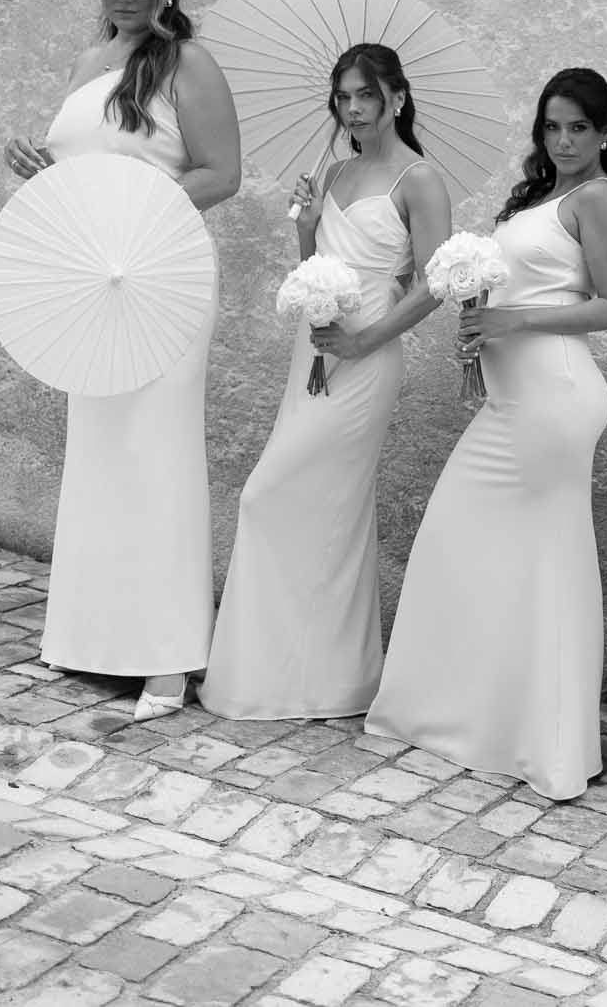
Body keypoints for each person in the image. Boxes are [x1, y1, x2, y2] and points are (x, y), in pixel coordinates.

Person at [364, 67, 607, 801]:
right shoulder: (538, 198)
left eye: (578, 126)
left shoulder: (599, 197)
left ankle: (547, 743)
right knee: (468, 543)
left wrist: (515, 320)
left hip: (556, 394)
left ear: (604, 132)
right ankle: (475, 719)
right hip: (511, 392)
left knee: (545, 559)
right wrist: (481, 325)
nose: (564, 139)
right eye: (552, 126)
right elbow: (516, 288)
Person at [2, 0, 240, 723]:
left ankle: (168, 657)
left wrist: (138, 204)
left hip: (162, 273)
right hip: (95, 278)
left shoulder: (187, 64)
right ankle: (92, 637)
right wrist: (47, 173)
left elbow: (222, 173)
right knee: (99, 455)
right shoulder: (86, 63)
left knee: (157, 455)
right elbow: (86, 167)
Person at [198, 45, 451, 721]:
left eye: (365, 95)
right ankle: (309, 676)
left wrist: (365, 339)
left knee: (271, 494)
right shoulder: (334, 170)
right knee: (309, 506)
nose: (353, 108)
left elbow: (435, 284)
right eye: (343, 97)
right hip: (312, 348)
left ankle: (317, 674)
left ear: (396, 96)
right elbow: (317, 269)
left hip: (368, 354)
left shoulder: (420, 180)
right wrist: (306, 233)